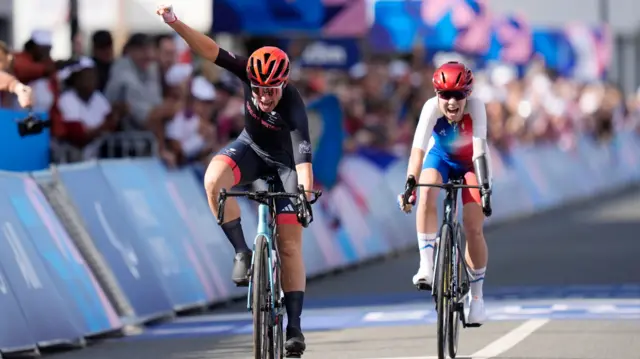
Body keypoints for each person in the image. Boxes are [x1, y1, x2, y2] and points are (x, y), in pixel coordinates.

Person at [157, 4, 314, 355]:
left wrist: (303, 193)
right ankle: (242, 250)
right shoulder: (246, 70)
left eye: (271, 89)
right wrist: (176, 23)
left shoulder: (292, 105)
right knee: (214, 181)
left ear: (283, 83)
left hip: (285, 166)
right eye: (257, 87)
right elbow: (208, 49)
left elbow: (303, 157)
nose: (263, 95)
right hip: (251, 150)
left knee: (289, 246)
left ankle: (295, 327)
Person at [397, 61, 493, 325]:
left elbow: (480, 151)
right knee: (426, 191)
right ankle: (426, 265)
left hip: (471, 162)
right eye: (445, 95)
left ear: (468, 95)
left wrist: (484, 190)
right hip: (440, 158)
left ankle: (477, 299)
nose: (452, 102)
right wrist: (410, 185)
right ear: (436, 95)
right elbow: (418, 150)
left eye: (458, 95)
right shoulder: (430, 108)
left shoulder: (477, 109)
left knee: (473, 227)